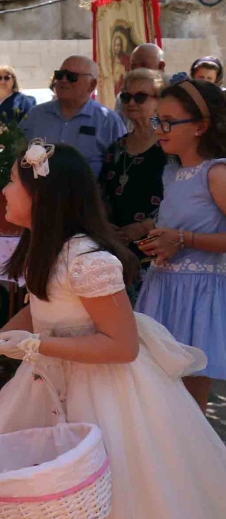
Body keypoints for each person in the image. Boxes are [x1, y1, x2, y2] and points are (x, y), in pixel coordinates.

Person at [0, 143, 226, 519]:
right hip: (47, 382)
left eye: (11, 181)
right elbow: (39, 307)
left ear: (42, 196)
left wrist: (34, 346)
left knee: (106, 492)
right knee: (34, 488)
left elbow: (122, 347)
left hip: (107, 392)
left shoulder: (87, 260)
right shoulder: (45, 248)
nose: (3, 190)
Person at [135, 76, 226, 411]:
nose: (160, 129)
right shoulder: (172, 172)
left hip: (197, 298)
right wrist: (151, 233)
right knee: (159, 403)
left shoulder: (216, 173)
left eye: (170, 122)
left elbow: (188, 233)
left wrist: (184, 239)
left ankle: (198, 463)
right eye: (158, 120)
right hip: (162, 290)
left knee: (189, 408)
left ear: (201, 127)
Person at [98, 68, 167, 300]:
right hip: (116, 251)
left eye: (141, 97)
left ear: (160, 101)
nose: (131, 103)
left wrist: (145, 227)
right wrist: (106, 228)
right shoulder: (116, 147)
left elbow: (185, 197)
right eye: (126, 97)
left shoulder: (171, 146)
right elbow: (101, 194)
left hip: (157, 253)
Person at [19, 55, 125, 177]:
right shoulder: (34, 116)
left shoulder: (108, 121)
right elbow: (15, 155)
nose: (63, 80)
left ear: (92, 85)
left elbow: (120, 167)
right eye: (59, 75)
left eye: (71, 77)